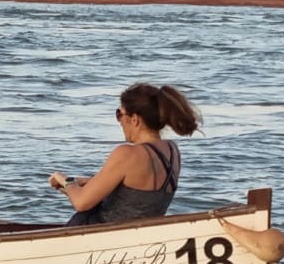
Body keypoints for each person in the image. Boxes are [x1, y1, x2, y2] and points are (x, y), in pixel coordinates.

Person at [49, 83, 202, 226]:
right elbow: (135, 189)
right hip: (142, 234)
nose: (119, 121)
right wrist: (83, 182)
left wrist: (66, 181)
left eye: (119, 114)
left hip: (101, 235)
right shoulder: (172, 150)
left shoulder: (127, 153)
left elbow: (81, 202)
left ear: (135, 119)